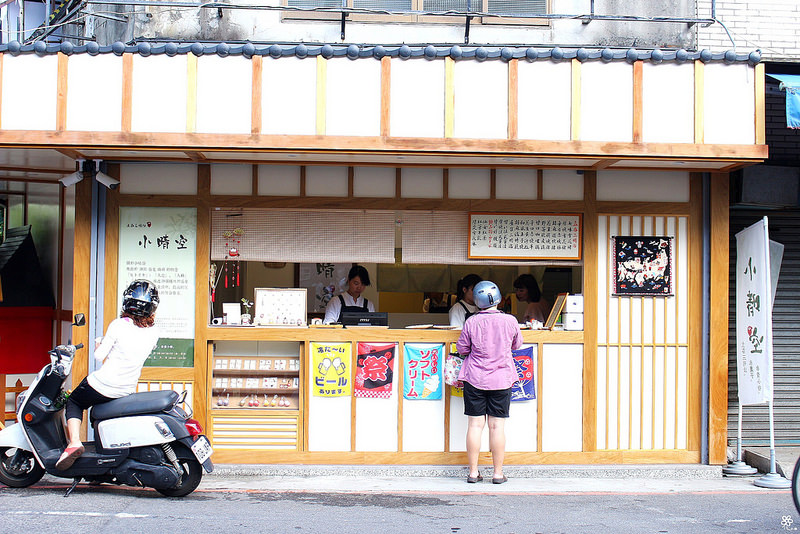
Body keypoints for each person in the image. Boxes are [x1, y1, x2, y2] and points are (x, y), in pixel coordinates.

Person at [55, 279, 161, 470]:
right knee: (99, 414)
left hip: (103, 384)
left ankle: (74, 443)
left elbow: (98, 356)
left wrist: (100, 343)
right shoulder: (155, 332)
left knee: (74, 402)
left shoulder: (118, 325)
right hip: (126, 388)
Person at [455, 280, 523, 485]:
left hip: (475, 378)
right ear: (499, 299)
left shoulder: (471, 322)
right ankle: (498, 473)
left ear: (477, 300)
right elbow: (517, 344)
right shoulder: (510, 321)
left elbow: (462, 349)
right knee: (497, 427)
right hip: (501, 379)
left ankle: (474, 473)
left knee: (475, 425)